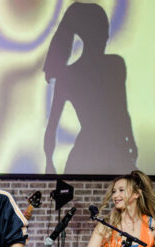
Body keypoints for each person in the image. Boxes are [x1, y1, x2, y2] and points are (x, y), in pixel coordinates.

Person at [43, 2, 137, 174]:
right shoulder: (115, 65)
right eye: (104, 30)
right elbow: (121, 111)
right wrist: (49, 162)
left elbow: (121, 111)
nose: (106, 36)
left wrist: (49, 162)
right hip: (107, 153)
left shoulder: (69, 75)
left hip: (96, 153)